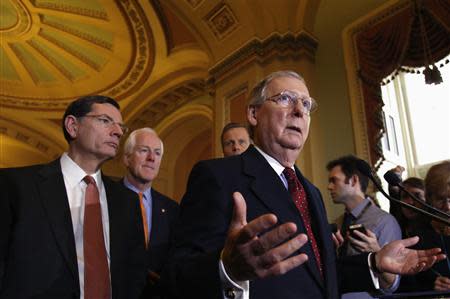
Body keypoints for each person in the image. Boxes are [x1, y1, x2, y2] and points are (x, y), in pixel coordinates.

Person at [163, 71, 445, 299]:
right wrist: (228, 270)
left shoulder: (310, 191)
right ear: (253, 113)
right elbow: (177, 276)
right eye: (285, 98)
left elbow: (319, 273)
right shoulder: (216, 176)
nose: (299, 110)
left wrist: (373, 263)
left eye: (307, 104)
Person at [0, 95, 146, 298]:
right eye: (105, 121)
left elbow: (135, 273)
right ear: (72, 126)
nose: (118, 132)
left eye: (121, 127)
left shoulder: (127, 201)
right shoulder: (17, 186)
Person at [327, 155, 402, 298]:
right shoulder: (337, 223)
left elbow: (392, 286)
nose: (329, 186)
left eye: (334, 181)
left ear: (354, 180)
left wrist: (377, 254)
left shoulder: (385, 222)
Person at [122, 128, 179, 298]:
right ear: (126, 158)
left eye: (157, 153)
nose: (152, 158)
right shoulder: (105, 199)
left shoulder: (172, 209)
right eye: (144, 150)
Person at [398, 160, 450, 293]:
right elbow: (405, 284)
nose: (447, 206)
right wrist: (431, 284)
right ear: (429, 199)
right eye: (440, 199)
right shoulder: (415, 235)